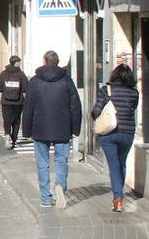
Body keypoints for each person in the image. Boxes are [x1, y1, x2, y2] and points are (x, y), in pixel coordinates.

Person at [22, 50, 82, 209]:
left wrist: (26, 130)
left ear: (44, 61)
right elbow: (75, 106)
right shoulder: (66, 80)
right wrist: (76, 129)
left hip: (40, 128)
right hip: (62, 128)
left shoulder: (35, 81)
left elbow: (28, 107)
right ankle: (60, 185)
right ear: (57, 62)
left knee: (42, 164)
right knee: (61, 160)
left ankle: (46, 199)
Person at [91, 64, 140, 213]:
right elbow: (133, 109)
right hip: (127, 133)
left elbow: (96, 111)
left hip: (109, 134)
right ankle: (119, 197)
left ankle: (118, 199)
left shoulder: (106, 90)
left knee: (114, 166)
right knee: (122, 163)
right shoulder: (134, 93)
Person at [0, 55, 28, 149]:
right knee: (16, 121)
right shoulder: (21, 74)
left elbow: (0, 88)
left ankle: (7, 136)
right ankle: (14, 140)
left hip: (6, 102)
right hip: (18, 102)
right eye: (19, 62)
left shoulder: (3, 73)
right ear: (16, 63)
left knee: (7, 120)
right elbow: (25, 89)